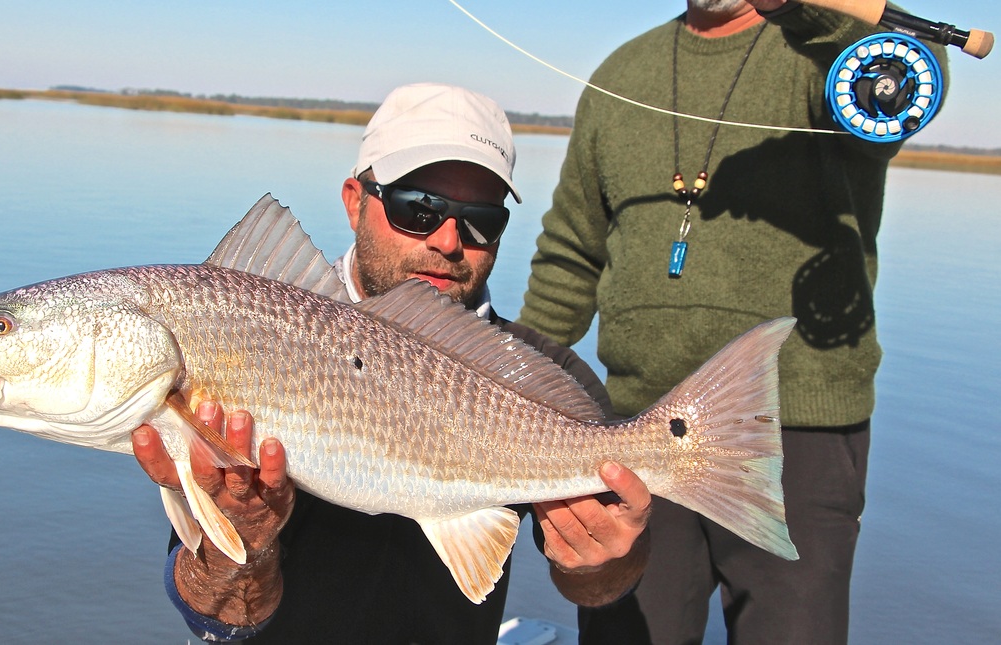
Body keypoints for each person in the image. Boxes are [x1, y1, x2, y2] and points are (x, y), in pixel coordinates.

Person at [131, 82, 652, 643]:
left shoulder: (546, 378)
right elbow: (214, 614)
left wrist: (606, 559)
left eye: (481, 220)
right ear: (355, 200)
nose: (449, 240)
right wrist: (243, 549)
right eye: (418, 208)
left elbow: (596, 588)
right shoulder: (245, 331)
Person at [517, 2, 948, 643]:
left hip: (794, 433)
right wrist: (513, 376)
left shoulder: (826, 51)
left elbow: (916, 75)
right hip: (628, 429)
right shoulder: (620, 73)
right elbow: (571, 252)